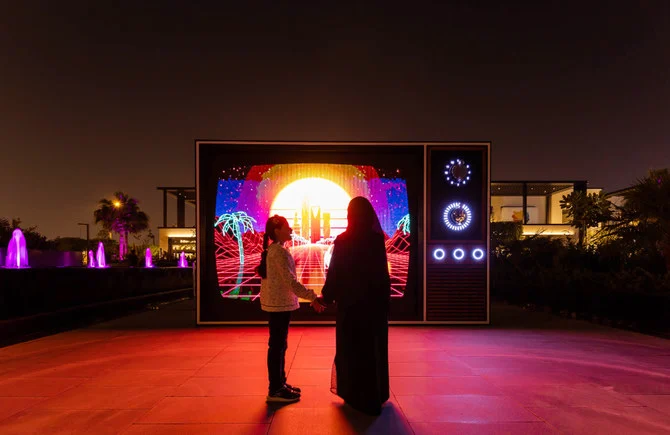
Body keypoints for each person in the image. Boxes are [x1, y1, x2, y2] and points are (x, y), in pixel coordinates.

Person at [321, 196, 391, 416]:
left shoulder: (343, 240)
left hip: (350, 307)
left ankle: (353, 394)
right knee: (372, 350)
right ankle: (374, 395)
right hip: (373, 308)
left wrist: (326, 296)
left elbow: (335, 273)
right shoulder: (376, 239)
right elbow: (382, 276)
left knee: (350, 350)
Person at [256, 214, 326, 403]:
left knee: (279, 345)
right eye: (287, 227)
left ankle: (280, 383)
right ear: (277, 231)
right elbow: (290, 282)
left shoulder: (277, 249)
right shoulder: (278, 252)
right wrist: (312, 297)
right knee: (277, 345)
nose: (291, 230)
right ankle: (275, 389)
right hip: (279, 305)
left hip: (279, 303)